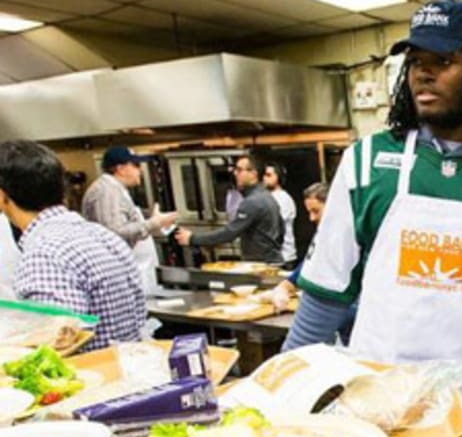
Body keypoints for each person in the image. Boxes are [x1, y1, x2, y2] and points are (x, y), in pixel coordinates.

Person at [284, 0, 462, 422]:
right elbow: (327, 293)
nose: (423, 71)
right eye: (416, 60)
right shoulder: (367, 163)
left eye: (442, 60)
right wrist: (281, 391)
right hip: (374, 402)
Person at [0, 141, 146, 350]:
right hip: (127, 370)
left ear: (2, 195)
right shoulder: (102, 235)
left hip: (94, 377)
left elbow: (57, 346)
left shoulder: (44, 254)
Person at [81, 146, 177, 295]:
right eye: (136, 166)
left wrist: (155, 223)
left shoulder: (117, 189)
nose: (141, 170)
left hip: (136, 270)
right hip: (122, 276)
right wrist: (154, 223)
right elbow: (114, 232)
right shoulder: (106, 191)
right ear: (120, 168)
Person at [270, 183, 355, 344]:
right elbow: (314, 259)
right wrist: (285, 286)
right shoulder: (326, 231)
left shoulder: (348, 231)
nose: (312, 218)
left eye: (316, 211)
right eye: (309, 212)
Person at [175, 155, 283, 264]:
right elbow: (281, 231)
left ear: (253, 174)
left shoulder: (252, 202)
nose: (235, 173)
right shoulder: (268, 197)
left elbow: (230, 233)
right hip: (273, 261)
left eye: (239, 170)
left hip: (262, 265)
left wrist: (192, 239)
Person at [263, 162, 297, 267]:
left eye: (269, 175)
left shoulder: (283, 198)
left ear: (279, 178)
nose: (264, 178)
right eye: (263, 175)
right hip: (273, 257)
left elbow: (275, 227)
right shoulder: (267, 197)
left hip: (284, 257)